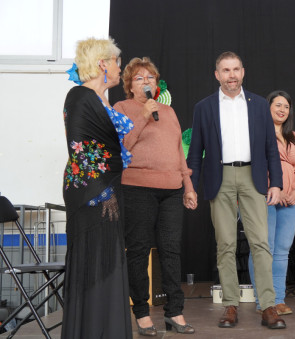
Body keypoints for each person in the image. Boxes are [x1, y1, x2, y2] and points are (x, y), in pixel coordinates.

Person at [186, 51, 286, 329]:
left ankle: (268, 306)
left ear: (243, 72)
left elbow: (271, 150)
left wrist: (275, 182)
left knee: (261, 243)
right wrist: (190, 187)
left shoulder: (258, 106)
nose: (231, 75)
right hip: (219, 177)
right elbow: (195, 153)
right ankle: (230, 304)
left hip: (253, 176)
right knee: (226, 244)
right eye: (225, 70)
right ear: (217, 75)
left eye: (235, 69)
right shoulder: (203, 107)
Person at [113, 57, 198, 335]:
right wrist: (143, 115)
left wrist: (188, 186)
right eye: (139, 78)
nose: (146, 82)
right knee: (138, 250)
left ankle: (175, 311)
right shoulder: (122, 108)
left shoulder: (169, 112)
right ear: (129, 85)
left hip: (172, 189)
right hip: (137, 187)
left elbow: (178, 152)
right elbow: (122, 146)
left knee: (171, 250)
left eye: (151, 78)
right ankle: (141, 313)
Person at [61, 38, 132, 338]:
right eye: (116, 61)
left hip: (108, 191)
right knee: (96, 262)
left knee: (109, 263)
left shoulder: (102, 101)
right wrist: (102, 191)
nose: (120, 67)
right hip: (92, 196)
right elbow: (78, 148)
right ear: (103, 63)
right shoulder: (78, 96)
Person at [247, 90, 295, 315]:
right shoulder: (257, 132)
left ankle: (279, 299)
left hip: (292, 200)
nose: (282, 110)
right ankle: (264, 300)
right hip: (264, 197)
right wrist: (276, 189)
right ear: (268, 107)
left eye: (286, 106)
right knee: (264, 249)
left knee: (282, 251)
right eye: (278, 105)